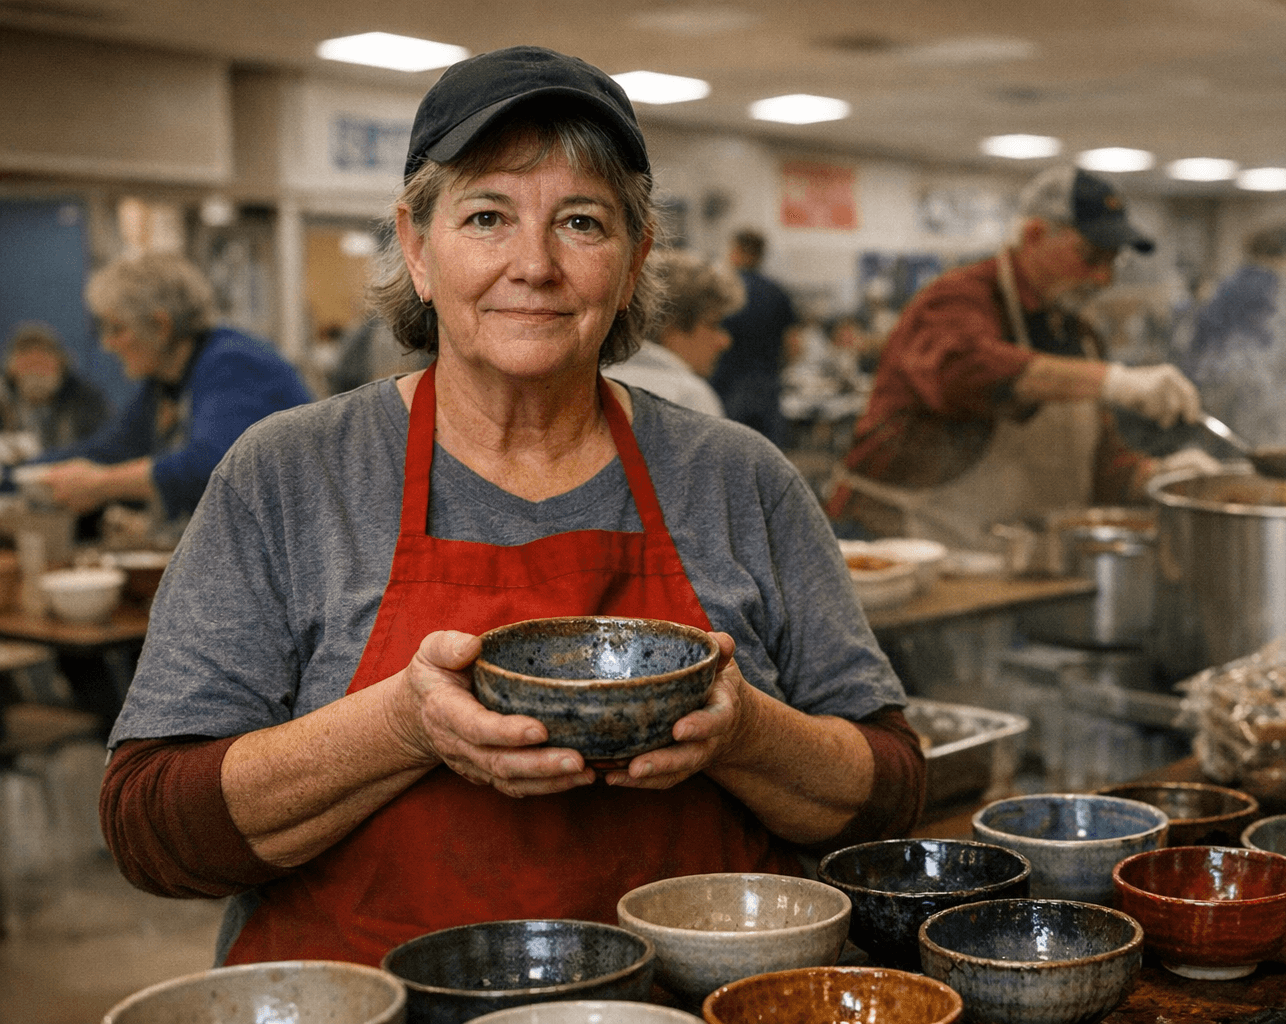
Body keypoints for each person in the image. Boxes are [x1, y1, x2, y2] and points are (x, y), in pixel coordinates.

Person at [98, 45, 923, 969]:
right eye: (486, 216)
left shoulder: (739, 477)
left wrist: (746, 732)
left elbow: (889, 793)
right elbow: (152, 827)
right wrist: (401, 723)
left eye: (581, 222)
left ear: (634, 258)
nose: (533, 265)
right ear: (416, 248)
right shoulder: (289, 474)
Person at [825, 164, 1218, 549]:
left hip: (1007, 562)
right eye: (1092, 257)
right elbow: (963, 371)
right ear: (1034, 235)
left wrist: (1161, 476)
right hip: (899, 546)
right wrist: (1114, 381)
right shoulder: (955, 300)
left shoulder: (1080, 337)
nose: (1104, 279)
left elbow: (1099, 470)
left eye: (1114, 262)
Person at [22, 254, 313, 525]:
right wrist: (18, 474)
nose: (107, 344)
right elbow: (111, 449)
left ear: (161, 326)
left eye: (117, 329)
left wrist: (102, 484)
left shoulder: (233, 362)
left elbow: (215, 468)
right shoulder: (166, 380)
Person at [1178, 223, 1286, 454]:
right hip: (1246, 391)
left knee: (1222, 452)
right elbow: (1281, 347)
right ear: (1285, 255)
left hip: (1209, 386)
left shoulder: (1229, 282)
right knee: (1252, 453)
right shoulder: (1268, 287)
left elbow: (1198, 339)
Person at [604, 248, 743, 416]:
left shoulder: (590, 385)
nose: (725, 341)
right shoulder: (689, 398)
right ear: (670, 324)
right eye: (713, 324)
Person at [709, 228, 797, 446]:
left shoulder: (720, 290)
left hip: (726, 385)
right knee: (767, 457)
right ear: (761, 255)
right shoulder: (777, 293)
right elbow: (794, 346)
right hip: (766, 384)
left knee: (727, 453)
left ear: (735, 251)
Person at [0, 321, 111, 455]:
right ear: (11, 369)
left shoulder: (87, 401)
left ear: (61, 364)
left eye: (43, 362)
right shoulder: (3, 400)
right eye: (28, 363)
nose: (36, 371)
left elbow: (104, 447)